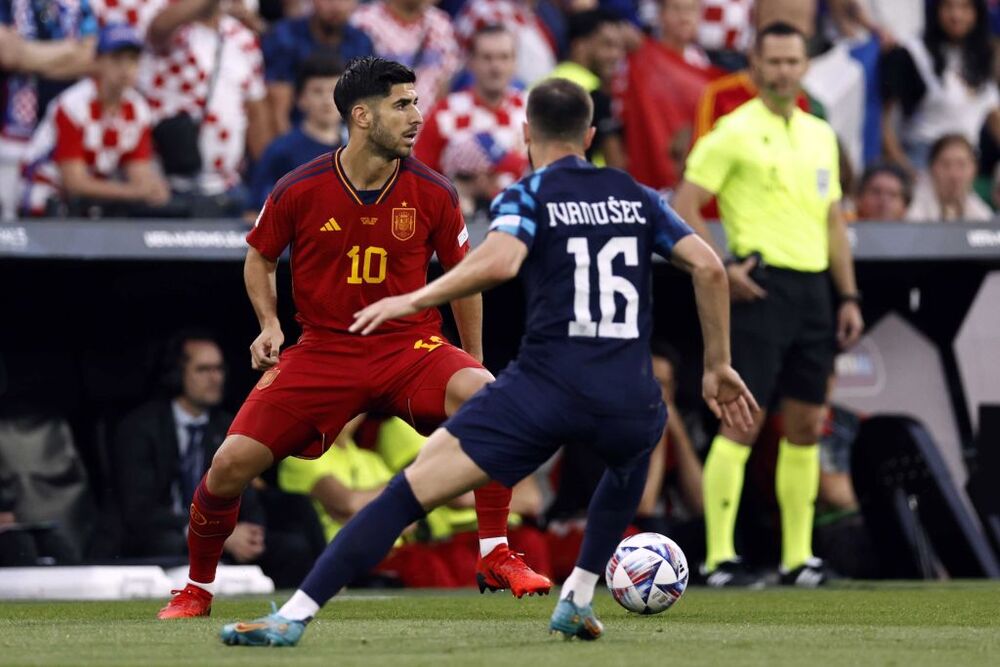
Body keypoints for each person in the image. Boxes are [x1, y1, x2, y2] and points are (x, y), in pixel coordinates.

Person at [217, 77, 756, 647]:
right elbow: (711, 269)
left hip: (546, 390)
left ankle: (293, 616)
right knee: (626, 471)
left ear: (527, 134)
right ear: (592, 135)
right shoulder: (640, 196)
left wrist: (415, 298)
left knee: (407, 493)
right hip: (629, 391)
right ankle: (575, 597)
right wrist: (717, 365)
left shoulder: (527, 194)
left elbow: (498, 264)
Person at [156, 56, 549, 620]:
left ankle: (495, 552)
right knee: (228, 466)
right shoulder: (301, 187)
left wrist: (471, 362)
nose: (417, 116)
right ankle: (196, 589)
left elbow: (465, 280)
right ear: (361, 116)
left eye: (416, 102)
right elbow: (260, 256)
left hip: (409, 348)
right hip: (325, 350)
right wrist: (270, 325)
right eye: (403, 105)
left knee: (490, 402)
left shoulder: (434, 192)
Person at [672, 22, 865, 588]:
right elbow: (685, 203)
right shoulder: (732, 132)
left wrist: (847, 294)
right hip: (761, 287)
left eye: (792, 62)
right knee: (742, 421)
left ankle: (797, 558)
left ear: (805, 67)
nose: (783, 72)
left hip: (813, 292)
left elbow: (833, 220)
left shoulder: (819, 134)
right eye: (773, 61)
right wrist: (721, 268)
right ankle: (718, 558)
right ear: (755, 66)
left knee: (806, 424)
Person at [113, 330, 315, 588]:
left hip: (222, 532)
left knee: (291, 548)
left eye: (219, 369)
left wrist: (249, 532)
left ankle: (285, 615)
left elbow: (247, 496)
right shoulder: (140, 427)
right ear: (176, 375)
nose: (215, 378)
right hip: (162, 534)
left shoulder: (230, 426)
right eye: (204, 369)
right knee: (164, 541)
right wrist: (216, 533)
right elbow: (139, 510)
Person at [20, 23, 170, 217]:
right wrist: (135, 192)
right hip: (42, 200)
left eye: (132, 60)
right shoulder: (73, 105)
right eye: (116, 59)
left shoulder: (139, 109)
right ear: (97, 61)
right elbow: (74, 183)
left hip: (89, 206)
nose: (125, 69)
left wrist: (152, 188)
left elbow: (138, 172)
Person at [140, 0, 270, 215]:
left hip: (228, 188)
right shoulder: (170, 27)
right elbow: (158, 28)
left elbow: (256, 113)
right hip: (166, 188)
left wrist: (264, 189)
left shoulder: (242, 37)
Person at [880, 0, 1000, 172]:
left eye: (965, 7)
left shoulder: (981, 55)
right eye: (948, 7)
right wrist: (905, 170)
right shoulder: (912, 53)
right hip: (923, 159)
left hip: (966, 161)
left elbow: (993, 113)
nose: (956, 16)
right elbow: (884, 120)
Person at [414, 25, 526, 180]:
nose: (496, 67)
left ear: (515, 62)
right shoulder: (444, 113)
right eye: (487, 57)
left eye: (504, 57)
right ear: (471, 62)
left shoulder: (531, 110)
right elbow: (419, 177)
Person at [262, 0, 374, 135]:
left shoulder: (361, 42)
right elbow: (278, 110)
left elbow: (367, 105)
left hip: (346, 140)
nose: (336, 6)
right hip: (298, 136)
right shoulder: (285, 36)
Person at [249, 54, 343, 214]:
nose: (327, 100)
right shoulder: (280, 151)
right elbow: (254, 213)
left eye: (334, 91)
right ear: (300, 99)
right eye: (317, 91)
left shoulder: (361, 148)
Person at [548, 8, 626, 168]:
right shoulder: (594, 94)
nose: (616, 55)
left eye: (620, 47)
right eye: (607, 45)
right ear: (579, 46)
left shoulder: (542, 85)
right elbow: (616, 164)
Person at [350, 0, 460, 113]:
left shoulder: (440, 23)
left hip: (429, 121)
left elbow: (449, 78)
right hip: (383, 121)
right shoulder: (364, 22)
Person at [906, 133, 993, 222]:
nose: (954, 175)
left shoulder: (981, 213)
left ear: (974, 169)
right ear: (932, 168)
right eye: (945, 165)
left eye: (961, 165)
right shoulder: (911, 205)